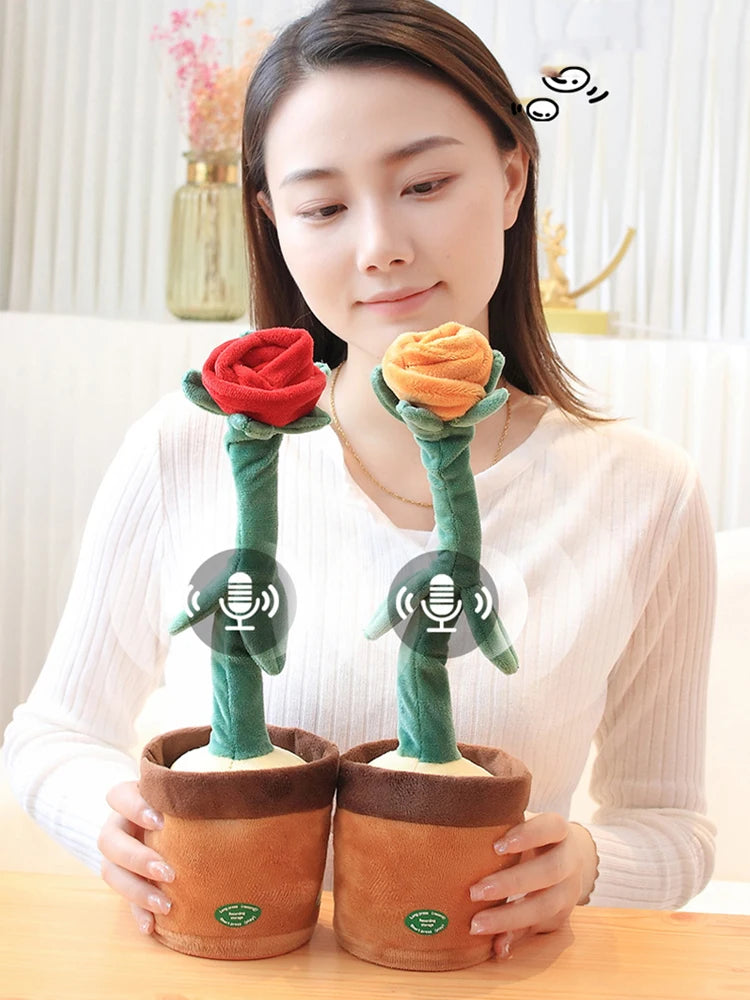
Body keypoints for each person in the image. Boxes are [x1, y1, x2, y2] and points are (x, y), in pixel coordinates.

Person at [3, 0, 716, 962]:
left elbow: (672, 825)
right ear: (274, 222)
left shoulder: (645, 491)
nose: (379, 245)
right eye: (324, 208)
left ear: (512, 177)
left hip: (473, 974)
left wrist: (585, 863)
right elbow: (51, 734)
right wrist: (112, 824)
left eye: (425, 183)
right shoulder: (188, 444)